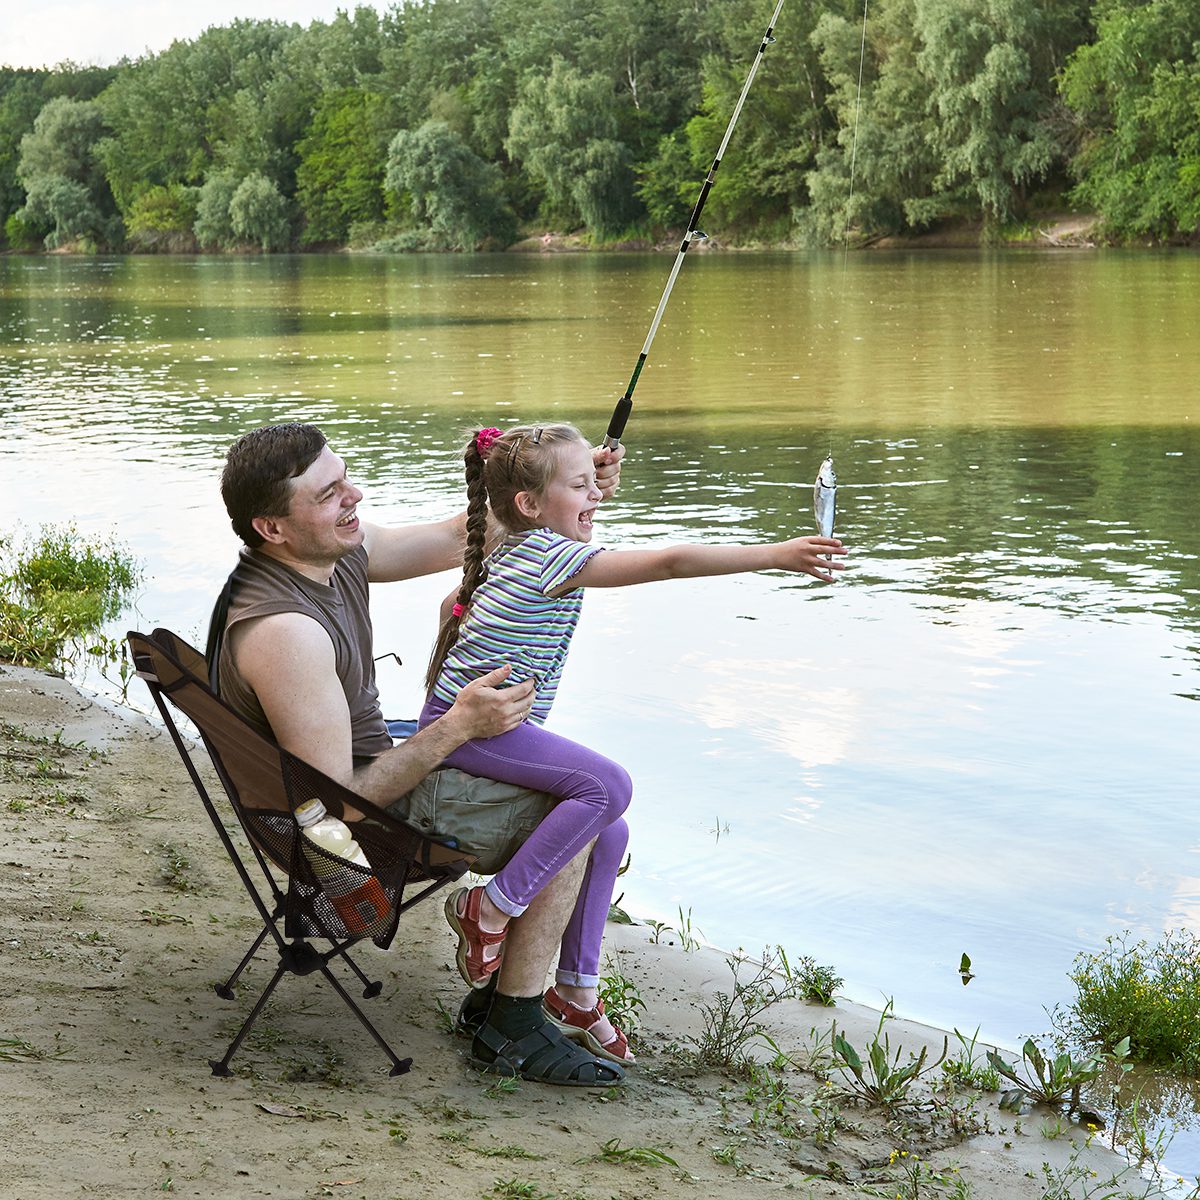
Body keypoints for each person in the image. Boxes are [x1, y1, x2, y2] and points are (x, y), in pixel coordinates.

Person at [215, 421, 629, 1087]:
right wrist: (455, 727)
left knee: (578, 787)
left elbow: (484, 530)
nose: (354, 496)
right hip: (347, 831)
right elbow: (332, 807)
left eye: (344, 477)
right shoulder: (285, 633)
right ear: (274, 528)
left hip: (371, 765)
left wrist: (570, 486)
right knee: (581, 808)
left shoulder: (332, 552)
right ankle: (512, 1024)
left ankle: (515, 1000)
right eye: (329, 493)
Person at [421, 422, 847, 1068]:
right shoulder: (550, 557)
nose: (597, 496)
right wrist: (778, 554)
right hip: (468, 737)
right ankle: (490, 906)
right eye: (581, 487)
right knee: (608, 787)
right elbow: (671, 563)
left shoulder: (514, 542)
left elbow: (552, 499)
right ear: (532, 505)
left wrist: (576, 479)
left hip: (479, 730)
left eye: (597, 483)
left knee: (610, 833)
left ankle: (577, 989)